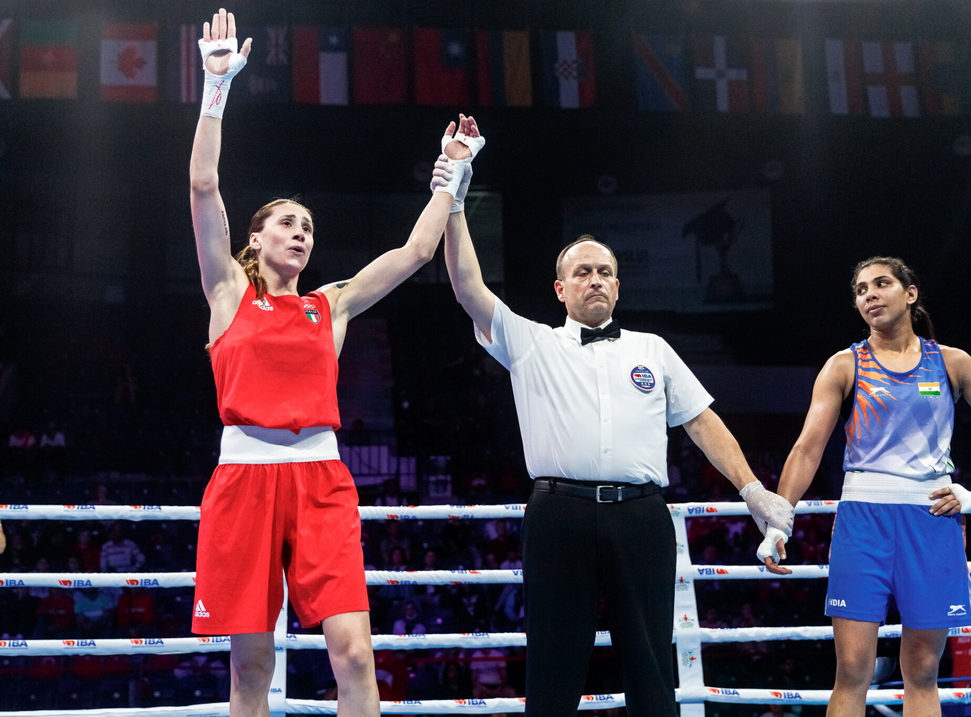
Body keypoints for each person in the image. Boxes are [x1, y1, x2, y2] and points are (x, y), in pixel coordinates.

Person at [432, 116, 793, 715]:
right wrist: (458, 191)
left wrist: (752, 490)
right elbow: (467, 285)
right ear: (560, 290)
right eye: (582, 272)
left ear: (618, 287)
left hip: (642, 516)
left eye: (604, 272)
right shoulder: (530, 342)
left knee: (651, 662)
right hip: (558, 515)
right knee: (553, 662)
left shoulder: (653, 348)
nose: (594, 279)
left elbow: (702, 422)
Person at [187, 9, 473, 716]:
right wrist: (215, 88)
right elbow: (201, 187)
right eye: (288, 221)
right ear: (256, 236)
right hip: (243, 480)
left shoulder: (330, 305)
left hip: (321, 481)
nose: (302, 233)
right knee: (251, 667)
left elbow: (412, 255)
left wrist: (454, 176)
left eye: (309, 228)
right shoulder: (227, 290)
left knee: (355, 655)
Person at [759, 256, 971, 717]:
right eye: (861, 289)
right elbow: (807, 448)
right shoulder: (843, 365)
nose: (869, 294)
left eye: (881, 283)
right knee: (852, 669)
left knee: (923, 671)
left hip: (932, 519)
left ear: (910, 293)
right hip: (862, 520)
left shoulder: (952, 363)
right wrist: (778, 520)